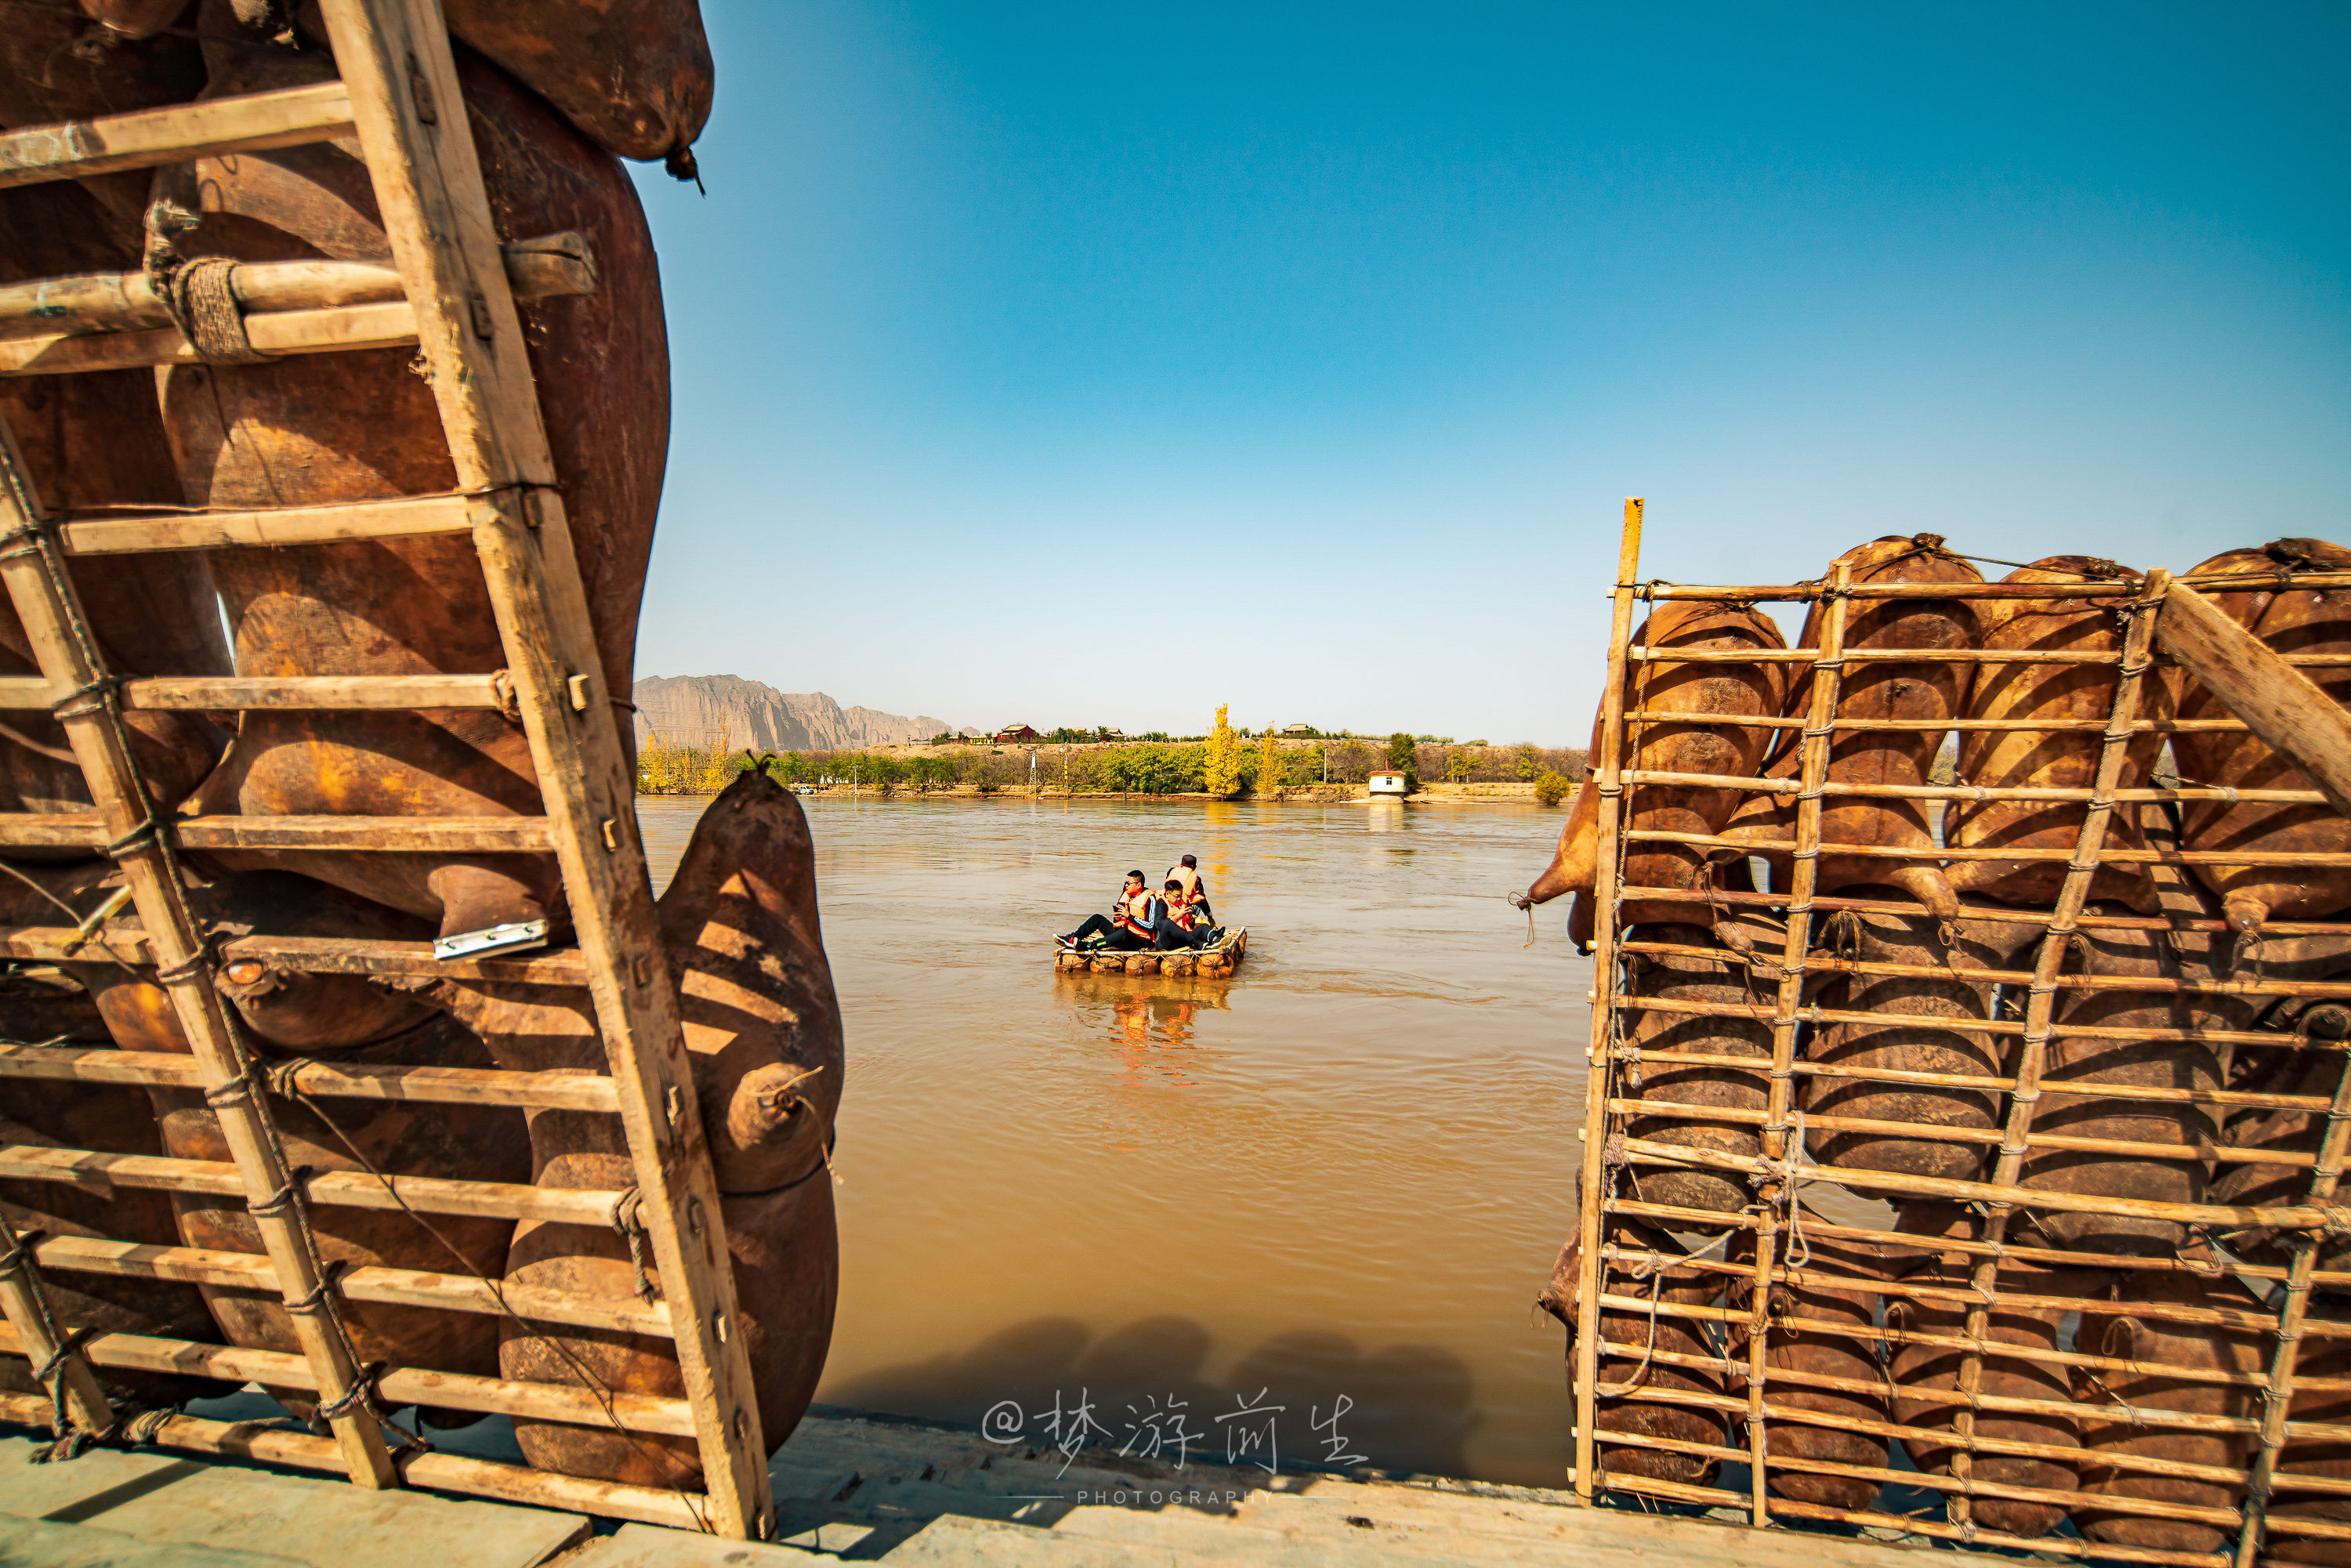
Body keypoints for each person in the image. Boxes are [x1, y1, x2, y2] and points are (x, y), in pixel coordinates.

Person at [1059, 871, 1161, 951]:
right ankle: (1073, 938)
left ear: (1138, 885)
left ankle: (1089, 946)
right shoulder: (1126, 894)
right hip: (1122, 936)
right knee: (1097, 918)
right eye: (1125, 883)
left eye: (1129, 883)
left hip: (1139, 941)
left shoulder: (1150, 899)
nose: (1126, 885)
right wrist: (1117, 917)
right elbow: (1117, 921)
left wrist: (1128, 915)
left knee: (1124, 932)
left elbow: (1150, 925)